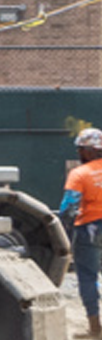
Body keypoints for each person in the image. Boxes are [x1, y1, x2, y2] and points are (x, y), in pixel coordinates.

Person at [63, 130, 102, 326]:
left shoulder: (79, 174)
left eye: (80, 149)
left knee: (87, 275)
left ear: (89, 151)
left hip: (89, 228)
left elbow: (69, 208)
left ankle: (94, 326)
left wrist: (63, 231)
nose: (78, 153)